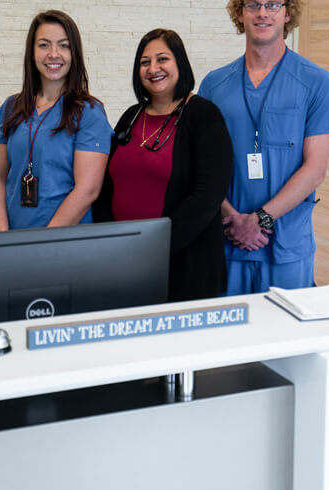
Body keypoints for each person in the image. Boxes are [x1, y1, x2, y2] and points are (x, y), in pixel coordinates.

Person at [197, 0, 329, 294]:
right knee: (226, 339)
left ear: (287, 13)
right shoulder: (214, 84)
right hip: (227, 240)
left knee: (288, 340)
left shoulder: (316, 82)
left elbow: (315, 169)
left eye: (272, 5)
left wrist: (260, 220)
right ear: (240, 13)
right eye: (253, 5)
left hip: (286, 246)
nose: (262, 13)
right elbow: (200, 165)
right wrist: (234, 220)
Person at [93, 29, 233, 301]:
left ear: (179, 62)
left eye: (162, 59)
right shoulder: (131, 116)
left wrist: (154, 244)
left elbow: (208, 194)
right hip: (124, 260)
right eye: (145, 62)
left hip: (184, 264)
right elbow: (105, 184)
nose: (153, 68)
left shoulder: (204, 116)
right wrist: (110, 240)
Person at [0, 10, 112, 230]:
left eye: (64, 45)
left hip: (65, 244)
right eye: (44, 45)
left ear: (75, 53)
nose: (54, 54)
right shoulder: (11, 108)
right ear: (32, 52)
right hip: (15, 238)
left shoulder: (90, 112)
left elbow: (88, 190)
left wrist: (44, 242)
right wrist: (2, 235)